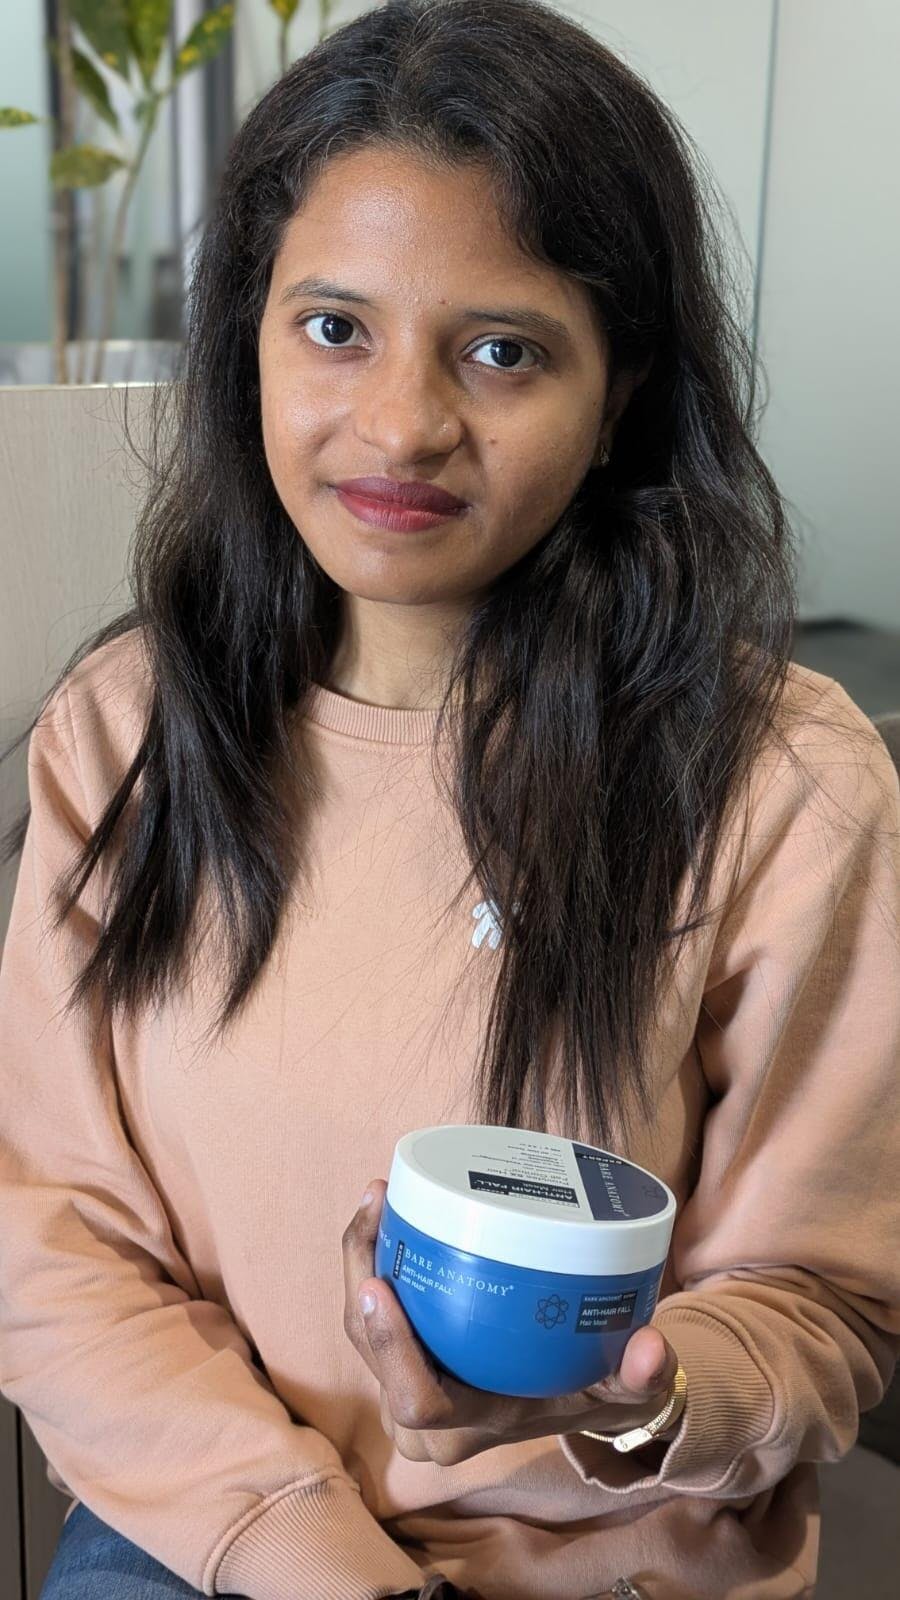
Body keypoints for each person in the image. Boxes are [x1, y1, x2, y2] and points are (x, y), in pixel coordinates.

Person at [0, 1, 897, 1597]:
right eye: (334, 328)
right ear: (249, 339)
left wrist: (630, 1403)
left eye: (503, 350)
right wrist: (321, 1562)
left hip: (614, 1551)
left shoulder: (785, 784)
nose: (403, 423)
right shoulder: (126, 732)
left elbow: (821, 1307)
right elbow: (52, 1241)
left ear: (619, 390)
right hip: (212, 1529)